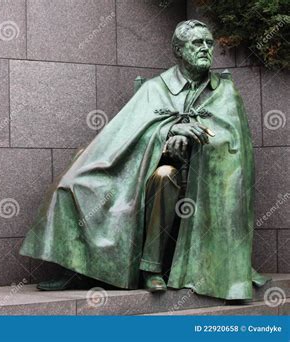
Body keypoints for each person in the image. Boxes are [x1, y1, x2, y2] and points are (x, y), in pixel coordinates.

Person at [20, 20, 269, 300]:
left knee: (164, 177)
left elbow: (233, 142)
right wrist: (168, 131)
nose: (205, 49)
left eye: (208, 43)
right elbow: (124, 133)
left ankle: (152, 268)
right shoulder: (154, 88)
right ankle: (80, 269)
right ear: (178, 50)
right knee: (72, 184)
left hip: (198, 174)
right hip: (145, 165)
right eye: (196, 43)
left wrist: (191, 139)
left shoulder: (224, 91)